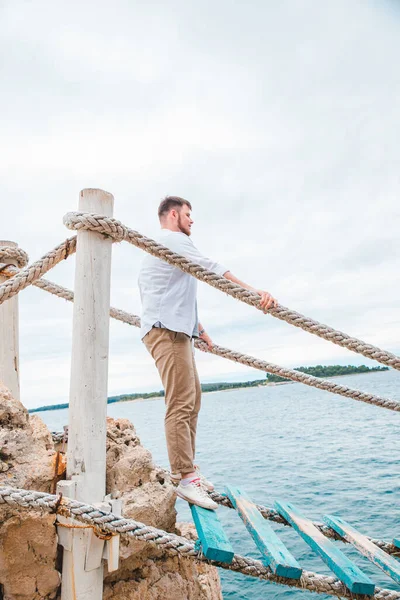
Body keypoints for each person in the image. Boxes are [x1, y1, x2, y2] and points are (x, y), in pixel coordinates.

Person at [138, 196, 277, 510]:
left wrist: (198, 328)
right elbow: (213, 269)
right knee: (180, 403)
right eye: (188, 214)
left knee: (193, 399)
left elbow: (170, 291)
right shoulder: (172, 239)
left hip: (176, 329)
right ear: (173, 215)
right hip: (167, 331)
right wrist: (256, 293)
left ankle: (189, 470)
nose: (192, 220)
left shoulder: (164, 247)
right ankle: (185, 478)